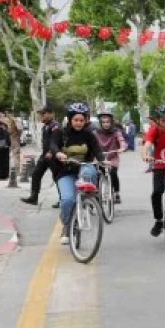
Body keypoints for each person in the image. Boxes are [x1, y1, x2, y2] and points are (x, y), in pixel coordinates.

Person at [49, 103, 102, 244]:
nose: (78, 123)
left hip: (83, 168)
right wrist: (58, 153)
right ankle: (67, 225)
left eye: (81, 120)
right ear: (70, 119)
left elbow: (97, 149)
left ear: (85, 120)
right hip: (65, 171)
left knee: (90, 170)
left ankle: (90, 198)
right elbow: (53, 145)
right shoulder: (59, 132)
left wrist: (103, 160)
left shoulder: (89, 134)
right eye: (76, 120)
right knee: (67, 200)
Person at [144, 105, 165, 236]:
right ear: (157, 121)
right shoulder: (154, 130)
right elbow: (148, 143)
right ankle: (159, 220)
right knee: (157, 192)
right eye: (163, 120)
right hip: (159, 165)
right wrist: (145, 155)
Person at [94, 108, 127, 204]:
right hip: (100, 157)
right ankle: (96, 193)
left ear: (111, 122)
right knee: (96, 174)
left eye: (108, 122)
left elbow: (122, 141)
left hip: (113, 157)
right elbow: (90, 142)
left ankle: (116, 193)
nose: (106, 124)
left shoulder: (116, 131)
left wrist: (122, 148)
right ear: (100, 123)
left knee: (113, 173)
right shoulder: (95, 132)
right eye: (103, 122)